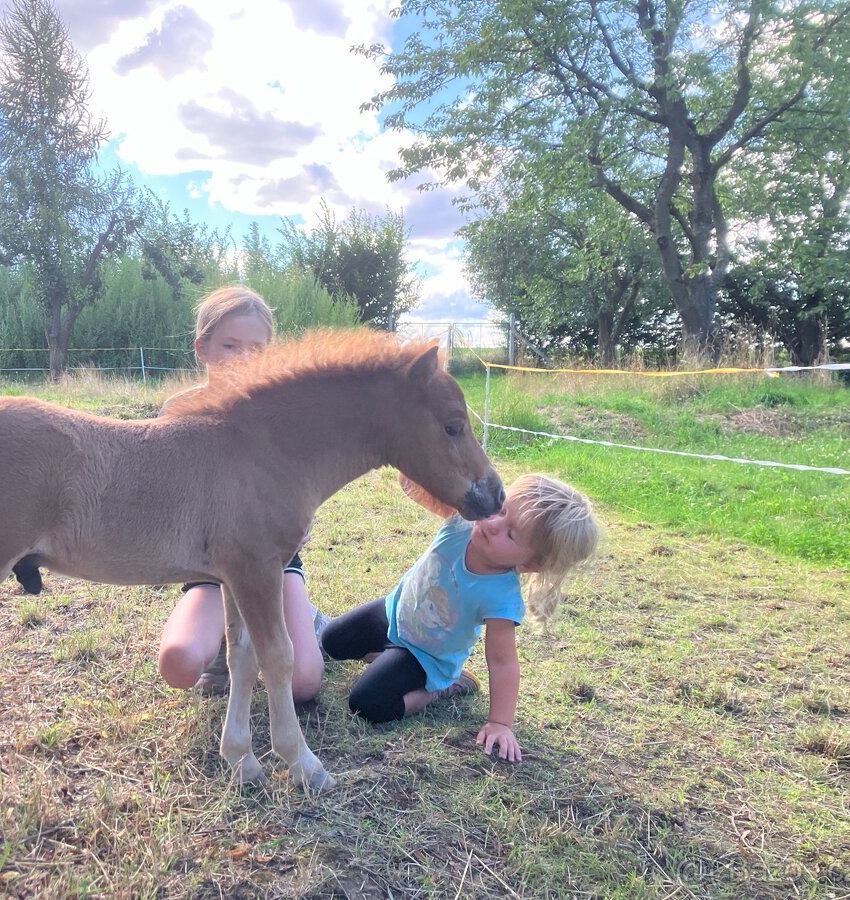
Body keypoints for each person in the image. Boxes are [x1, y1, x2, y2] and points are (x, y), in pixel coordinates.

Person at [321, 472, 599, 762]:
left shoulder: (501, 598)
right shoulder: (463, 522)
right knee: (331, 640)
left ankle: (442, 688)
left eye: (511, 533)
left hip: (425, 656)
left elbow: (503, 663)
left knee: (367, 705)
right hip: (393, 613)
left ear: (531, 563)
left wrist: (500, 723)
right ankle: (384, 655)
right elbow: (415, 485)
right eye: (501, 509)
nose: (493, 524)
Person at [157, 285, 328, 703]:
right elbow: (164, 497)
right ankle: (226, 638)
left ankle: (305, 619)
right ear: (203, 348)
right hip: (209, 566)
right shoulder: (178, 413)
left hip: (273, 563)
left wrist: (300, 522)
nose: (244, 358)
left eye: (257, 347)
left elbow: (304, 492)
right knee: (178, 663)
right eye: (230, 345)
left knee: (303, 685)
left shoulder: (287, 417)